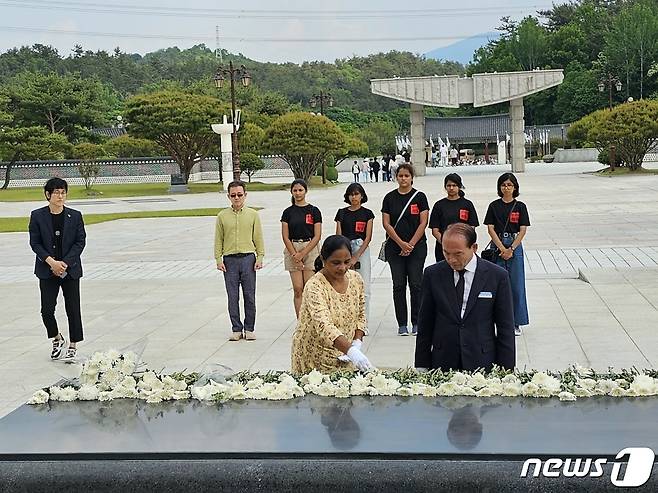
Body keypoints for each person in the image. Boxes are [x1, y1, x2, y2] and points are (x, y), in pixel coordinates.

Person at [414, 223, 515, 372]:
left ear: (474, 248)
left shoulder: (497, 276)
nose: (451, 259)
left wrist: (507, 369)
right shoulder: (433, 274)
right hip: (443, 362)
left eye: (457, 254)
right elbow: (425, 323)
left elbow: (505, 327)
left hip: (482, 362)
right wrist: (421, 365)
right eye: (446, 253)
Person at [291, 235, 373, 374]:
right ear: (323, 260)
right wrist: (352, 351)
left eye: (347, 262)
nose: (342, 268)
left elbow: (361, 315)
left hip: (344, 355)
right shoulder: (315, 286)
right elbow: (324, 325)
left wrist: (357, 343)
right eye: (336, 263)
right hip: (314, 359)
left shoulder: (356, 279)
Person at [28, 177, 86, 360]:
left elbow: (80, 242)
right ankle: (56, 337)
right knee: (46, 310)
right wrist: (51, 262)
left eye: (63, 192)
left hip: (70, 270)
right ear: (48, 195)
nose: (60, 196)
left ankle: (73, 344)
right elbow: (35, 243)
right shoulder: (37, 215)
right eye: (56, 192)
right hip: (47, 269)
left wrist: (65, 263)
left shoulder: (75, 216)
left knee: (73, 309)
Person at [381, 163, 429, 336]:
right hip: (395, 248)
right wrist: (401, 243)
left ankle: (417, 322)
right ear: (396, 177)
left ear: (412, 177)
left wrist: (411, 244)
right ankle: (402, 323)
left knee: (416, 284)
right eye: (400, 176)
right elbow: (386, 223)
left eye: (406, 176)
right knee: (399, 285)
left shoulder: (420, 197)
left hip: (417, 248)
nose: (403, 179)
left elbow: (424, 222)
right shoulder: (389, 198)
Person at [214, 180, 265, 341]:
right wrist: (218, 259)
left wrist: (260, 256)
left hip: (248, 259)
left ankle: (249, 328)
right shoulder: (222, 216)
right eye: (233, 195)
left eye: (240, 195)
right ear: (228, 196)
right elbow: (218, 239)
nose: (237, 198)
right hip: (229, 261)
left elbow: (258, 238)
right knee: (232, 296)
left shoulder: (253, 215)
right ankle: (236, 328)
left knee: (249, 295)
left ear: (245, 195)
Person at [483, 173, 530, 336]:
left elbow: (523, 230)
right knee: (498, 286)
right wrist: (502, 248)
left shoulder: (520, 206)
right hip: (498, 247)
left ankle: (516, 321)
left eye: (510, 185)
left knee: (516, 286)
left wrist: (511, 249)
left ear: (515, 187)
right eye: (503, 185)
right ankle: (499, 321)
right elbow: (490, 228)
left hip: (515, 246)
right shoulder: (494, 206)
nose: (506, 188)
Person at [281, 179, 322, 318]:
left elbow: (317, 235)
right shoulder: (287, 212)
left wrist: (304, 252)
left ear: (306, 191)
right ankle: (301, 320)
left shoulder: (314, 210)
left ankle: (312, 319)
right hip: (293, 248)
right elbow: (285, 236)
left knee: (309, 289)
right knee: (298, 289)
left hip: (310, 248)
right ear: (291, 192)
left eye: (300, 190)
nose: (298, 193)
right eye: (295, 190)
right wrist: (295, 255)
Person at [335, 183, 374, 323]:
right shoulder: (342, 213)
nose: (354, 197)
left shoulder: (367, 214)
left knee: (364, 287)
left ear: (362, 195)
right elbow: (338, 235)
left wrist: (356, 256)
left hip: (361, 248)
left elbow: (368, 237)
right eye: (351, 194)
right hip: (345, 249)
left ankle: (363, 322)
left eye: (356, 194)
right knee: (345, 286)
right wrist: (346, 257)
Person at [429, 173, 479, 263]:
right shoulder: (439, 205)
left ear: (459, 186)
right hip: (443, 249)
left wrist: (462, 243)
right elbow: (435, 230)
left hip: (463, 249)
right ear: (445, 187)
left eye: (454, 185)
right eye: (449, 185)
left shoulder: (467, 204)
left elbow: (472, 227)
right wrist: (446, 243)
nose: (451, 188)